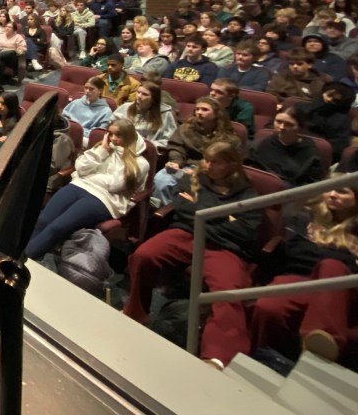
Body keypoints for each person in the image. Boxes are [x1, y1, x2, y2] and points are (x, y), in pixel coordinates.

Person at [123, 142, 260, 370]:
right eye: (206, 159)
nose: (207, 165)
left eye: (215, 162)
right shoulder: (192, 178)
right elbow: (182, 207)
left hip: (223, 246)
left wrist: (199, 207)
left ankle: (217, 356)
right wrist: (225, 216)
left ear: (231, 165)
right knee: (144, 255)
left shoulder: (249, 194)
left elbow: (244, 231)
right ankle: (136, 312)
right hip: (186, 233)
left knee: (228, 290)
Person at [251, 179, 358, 363]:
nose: (332, 194)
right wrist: (345, 256)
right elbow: (296, 253)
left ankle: (318, 356)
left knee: (331, 266)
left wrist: (322, 252)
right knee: (269, 306)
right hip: (300, 277)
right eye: (329, 189)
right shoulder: (305, 216)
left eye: (341, 191)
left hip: (340, 288)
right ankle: (266, 361)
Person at [25, 118, 149, 260]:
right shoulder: (102, 148)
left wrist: (91, 176)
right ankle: (22, 256)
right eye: (110, 134)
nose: (113, 139)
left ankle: (26, 259)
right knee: (43, 220)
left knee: (58, 227)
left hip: (104, 198)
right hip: (79, 185)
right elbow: (81, 168)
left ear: (129, 136)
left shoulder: (140, 163)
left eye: (118, 135)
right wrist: (102, 151)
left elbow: (114, 185)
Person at [154, 97, 241, 205]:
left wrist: (199, 171)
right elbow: (177, 148)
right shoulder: (186, 129)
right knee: (162, 179)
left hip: (212, 173)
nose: (199, 112)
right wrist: (176, 162)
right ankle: (164, 210)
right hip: (184, 166)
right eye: (197, 109)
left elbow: (231, 165)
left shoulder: (230, 139)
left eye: (204, 109)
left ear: (217, 114)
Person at [248, 107, 325, 187]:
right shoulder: (265, 143)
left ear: (300, 128)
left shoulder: (310, 154)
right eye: (278, 122)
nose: (281, 127)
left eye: (289, 124)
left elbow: (310, 186)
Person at [113, 82, 178, 149]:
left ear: (154, 99)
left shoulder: (165, 114)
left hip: (149, 150)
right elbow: (111, 128)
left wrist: (147, 145)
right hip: (123, 147)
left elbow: (170, 140)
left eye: (145, 94)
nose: (139, 96)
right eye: (138, 92)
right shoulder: (125, 108)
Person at [62, 76, 114, 145]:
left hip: (85, 139)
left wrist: (78, 131)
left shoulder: (106, 111)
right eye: (86, 88)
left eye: (91, 89)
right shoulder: (75, 102)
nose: (87, 91)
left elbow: (98, 134)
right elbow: (63, 119)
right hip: (67, 133)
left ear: (100, 91)